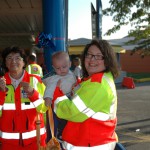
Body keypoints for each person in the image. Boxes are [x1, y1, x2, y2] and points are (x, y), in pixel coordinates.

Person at [52, 39, 119, 150]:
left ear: (107, 60)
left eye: (98, 56)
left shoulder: (97, 85)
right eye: (89, 55)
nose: (92, 59)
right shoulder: (96, 79)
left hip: (89, 145)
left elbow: (72, 112)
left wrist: (57, 95)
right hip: (91, 141)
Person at [0, 46, 47, 150]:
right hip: (8, 144)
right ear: (5, 63)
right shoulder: (1, 83)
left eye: (17, 58)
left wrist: (32, 93)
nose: (13, 61)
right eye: (9, 58)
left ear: (24, 62)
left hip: (35, 142)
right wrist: (1, 93)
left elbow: (44, 108)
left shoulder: (35, 81)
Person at [43, 51, 76, 143]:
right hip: (60, 101)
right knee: (61, 119)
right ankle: (60, 134)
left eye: (64, 67)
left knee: (71, 119)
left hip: (71, 99)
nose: (61, 70)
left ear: (70, 64)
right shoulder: (54, 78)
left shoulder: (72, 74)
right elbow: (49, 89)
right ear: (53, 68)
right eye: (58, 68)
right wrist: (48, 98)